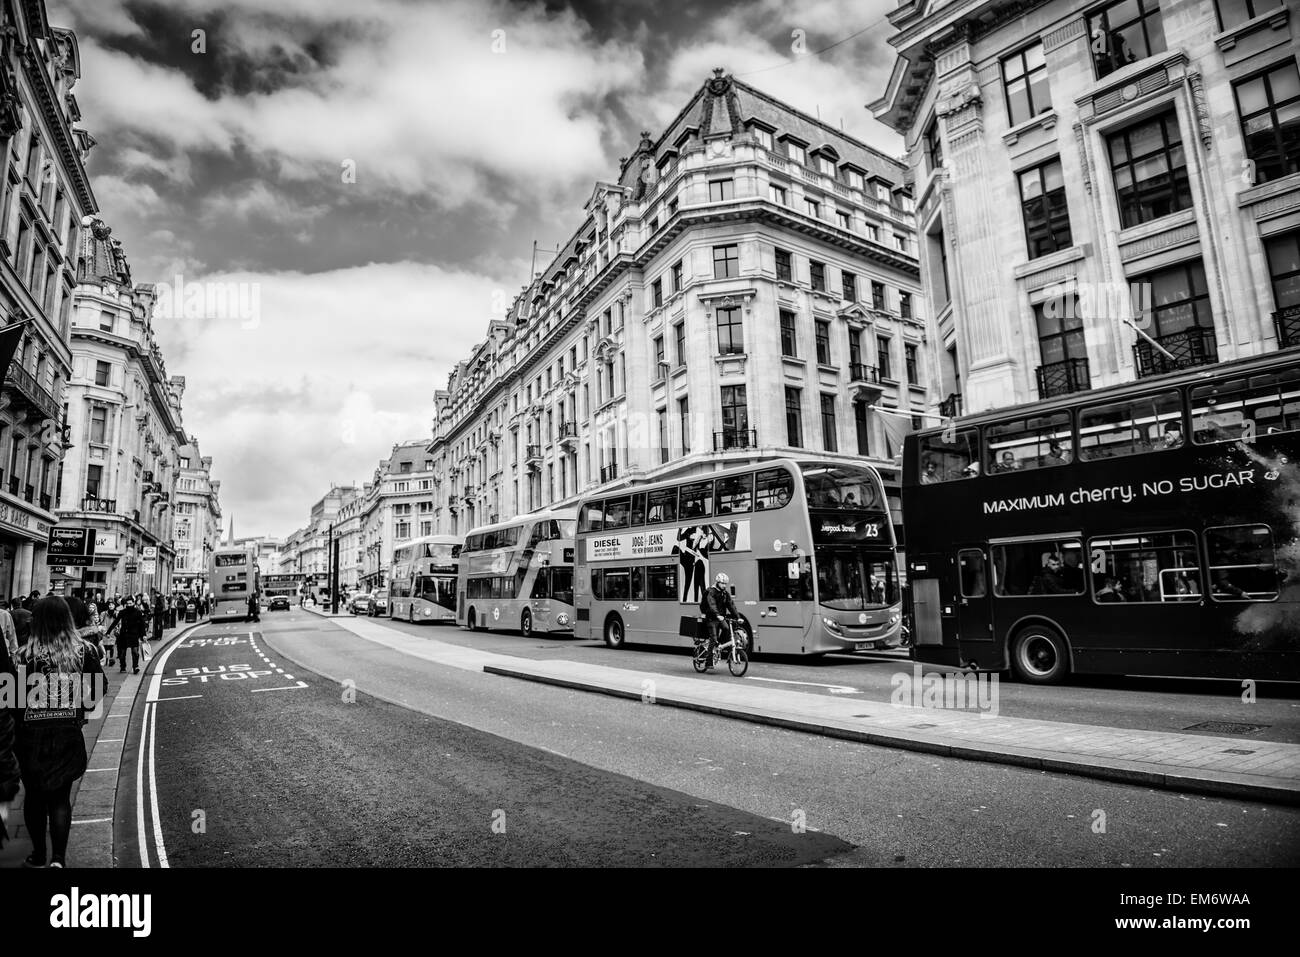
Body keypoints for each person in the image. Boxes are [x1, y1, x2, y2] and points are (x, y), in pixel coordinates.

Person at [11, 596, 109, 868]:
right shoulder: (84, 651)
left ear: (37, 622)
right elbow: (99, 687)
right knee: (60, 799)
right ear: (67, 619)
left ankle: (38, 855)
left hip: (31, 736)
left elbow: (12, 701)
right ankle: (58, 859)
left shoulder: (22, 656)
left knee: (34, 798)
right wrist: (79, 710)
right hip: (67, 733)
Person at [699, 571, 740, 659]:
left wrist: (738, 617)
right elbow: (712, 604)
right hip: (711, 618)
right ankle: (709, 660)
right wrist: (717, 614)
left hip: (720, 618)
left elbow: (731, 605)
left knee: (726, 628)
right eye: (722, 583)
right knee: (713, 638)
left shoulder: (725, 593)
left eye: (725, 584)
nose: (724, 586)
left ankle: (718, 645)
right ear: (717, 582)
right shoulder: (711, 591)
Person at [104, 596, 146, 674]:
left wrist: (143, 635)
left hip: (134, 634)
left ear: (133, 603)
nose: (129, 605)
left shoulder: (138, 612)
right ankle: (123, 667)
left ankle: (135, 666)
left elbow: (142, 624)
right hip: (124, 635)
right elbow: (115, 622)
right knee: (122, 654)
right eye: (127, 603)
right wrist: (108, 631)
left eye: (130, 603)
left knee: (135, 652)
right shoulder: (122, 612)